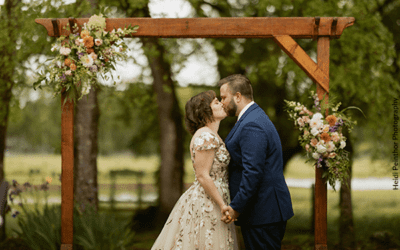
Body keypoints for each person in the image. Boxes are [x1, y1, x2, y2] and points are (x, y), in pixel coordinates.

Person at [151, 90, 238, 250]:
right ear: (205, 111)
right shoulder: (206, 136)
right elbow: (203, 175)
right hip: (209, 202)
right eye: (216, 102)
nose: (221, 104)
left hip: (215, 196)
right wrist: (222, 205)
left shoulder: (212, 135)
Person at [218, 74, 294, 250]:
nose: (222, 102)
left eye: (224, 97)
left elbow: (252, 172)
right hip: (262, 212)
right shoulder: (251, 117)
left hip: (263, 213)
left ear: (237, 96)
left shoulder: (252, 124)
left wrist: (236, 207)